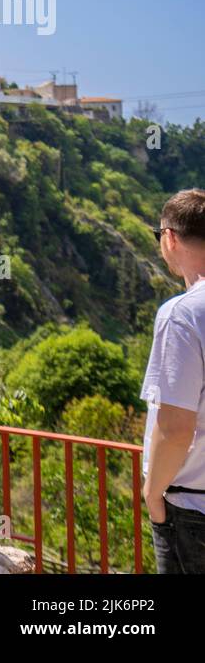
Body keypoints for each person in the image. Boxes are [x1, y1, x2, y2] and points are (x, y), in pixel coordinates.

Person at [142, 188, 205, 573]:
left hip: (192, 510)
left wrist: (153, 494)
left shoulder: (181, 315)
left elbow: (176, 427)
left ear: (169, 237)